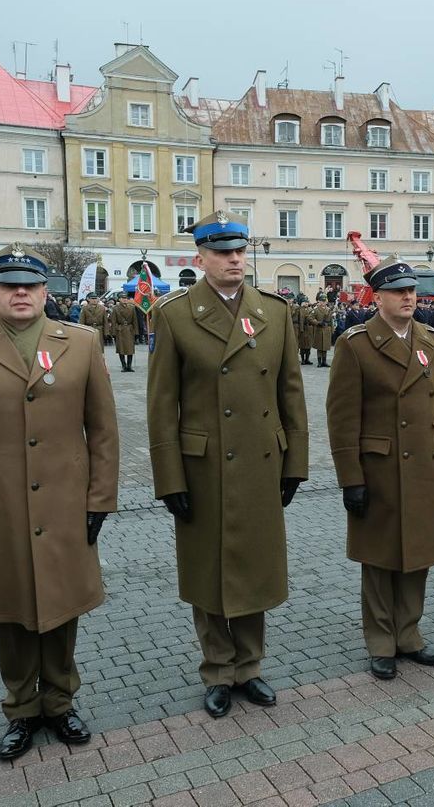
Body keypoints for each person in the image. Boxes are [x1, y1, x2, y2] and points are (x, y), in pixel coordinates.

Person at [0, 247, 120, 760]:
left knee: (63, 603)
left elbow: (102, 430)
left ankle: (60, 702)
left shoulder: (80, 342)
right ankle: (21, 708)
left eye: (30, 286)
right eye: (9, 286)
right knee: (10, 611)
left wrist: (100, 497)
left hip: (65, 499)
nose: (20, 294)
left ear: (44, 292)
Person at [147, 211, 308, 718]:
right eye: (221, 252)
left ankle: (251, 667)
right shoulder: (174, 314)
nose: (234, 259)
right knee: (210, 571)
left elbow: (291, 392)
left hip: (261, 460)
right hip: (205, 465)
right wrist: (169, 476)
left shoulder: (275, 312)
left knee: (255, 568)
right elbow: (160, 405)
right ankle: (218, 669)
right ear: (201, 259)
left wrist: (295, 463)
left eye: (239, 251)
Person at [327, 258, 434, 679]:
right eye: (398, 291)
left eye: (412, 291)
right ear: (378, 296)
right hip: (380, 468)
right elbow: (342, 416)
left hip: (425, 462)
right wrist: (351, 478)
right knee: (381, 558)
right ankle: (381, 640)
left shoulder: (431, 339)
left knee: (418, 552)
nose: (408, 297)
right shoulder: (356, 343)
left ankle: (410, 634)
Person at [109, 295, 139, 372]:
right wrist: (114, 332)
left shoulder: (132, 308)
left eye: (126, 298)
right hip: (120, 330)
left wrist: (136, 332)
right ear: (119, 299)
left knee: (130, 349)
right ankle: (124, 366)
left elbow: (135, 320)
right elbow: (113, 321)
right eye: (123, 298)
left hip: (129, 329)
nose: (125, 300)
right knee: (121, 349)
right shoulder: (116, 308)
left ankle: (129, 366)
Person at [309, 293, 334, 367]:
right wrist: (317, 323)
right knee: (319, 346)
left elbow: (331, 321)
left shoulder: (328, 310)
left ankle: (324, 361)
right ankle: (319, 362)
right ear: (319, 302)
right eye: (322, 301)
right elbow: (310, 318)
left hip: (327, 329)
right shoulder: (316, 310)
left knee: (325, 346)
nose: (323, 302)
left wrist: (332, 330)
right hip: (319, 329)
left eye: (324, 301)